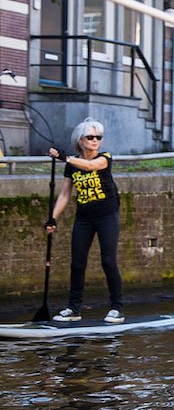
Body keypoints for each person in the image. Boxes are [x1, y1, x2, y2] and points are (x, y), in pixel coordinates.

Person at [45, 118, 124, 323]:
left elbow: (90, 166)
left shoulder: (105, 158)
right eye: (90, 137)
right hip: (84, 218)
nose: (95, 140)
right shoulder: (72, 166)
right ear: (80, 140)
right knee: (77, 262)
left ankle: (117, 308)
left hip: (107, 215)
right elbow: (65, 195)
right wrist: (53, 218)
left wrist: (65, 157)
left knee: (108, 261)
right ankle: (74, 309)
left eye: (99, 137)